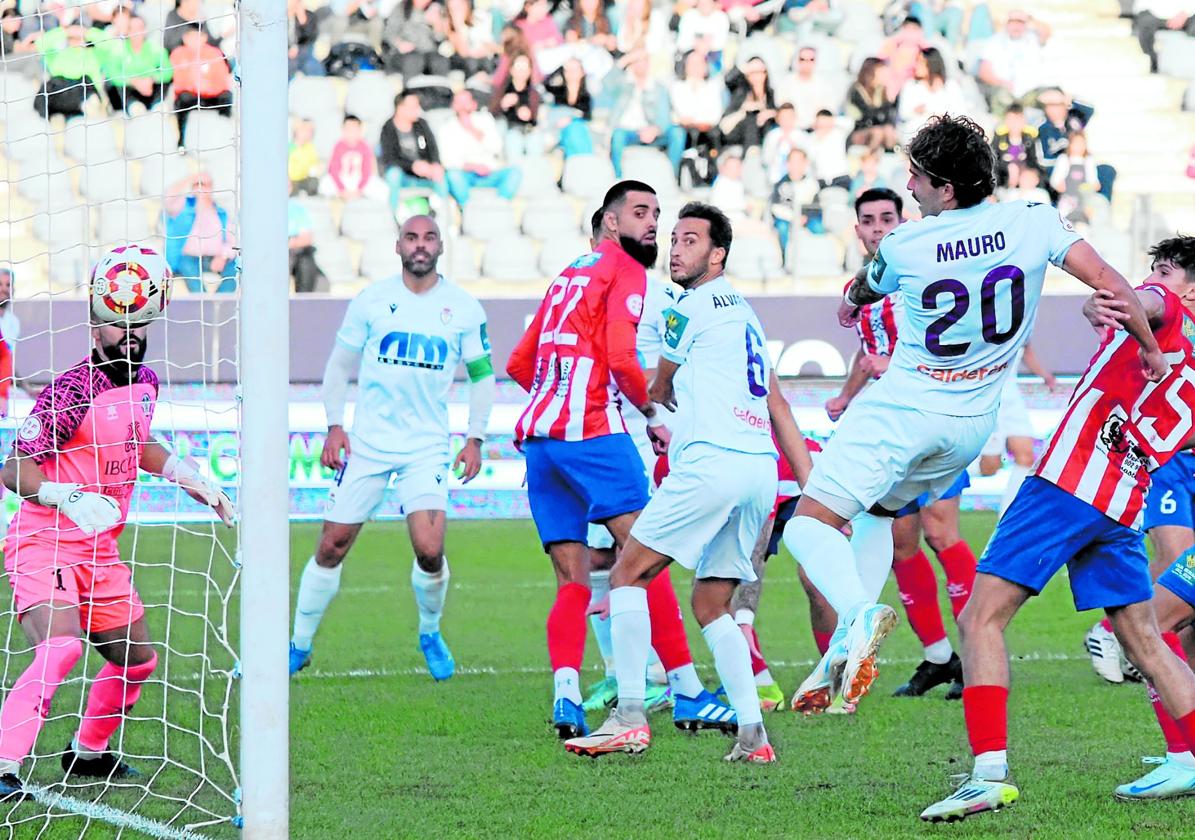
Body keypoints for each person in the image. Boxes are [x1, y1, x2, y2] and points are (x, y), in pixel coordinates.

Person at [783, 114, 1165, 718]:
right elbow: (1113, 283)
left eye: (916, 176)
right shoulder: (1033, 219)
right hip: (967, 427)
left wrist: (849, 300)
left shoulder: (907, 243)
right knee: (881, 515)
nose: (909, 186)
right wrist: (1149, 347)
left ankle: (855, 616)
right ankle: (842, 650)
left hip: (904, 407)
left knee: (807, 526)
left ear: (946, 188)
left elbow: (865, 287)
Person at [919, 236, 1195, 821]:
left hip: (1069, 483)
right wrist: (1110, 307)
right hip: (1125, 496)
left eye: (1165, 271)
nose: (1151, 277)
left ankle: (987, 774)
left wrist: (1123, 297)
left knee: (980, 617)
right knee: (1142, 636)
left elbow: (1145, 300)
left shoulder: (1169, 310)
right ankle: (1191, 757)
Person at [562, 202, 810, 763]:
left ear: (717, 253)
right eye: (674, 239)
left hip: (714, 462)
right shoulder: (745, 311)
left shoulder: (690, 305)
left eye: (691, 240)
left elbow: (658, 382)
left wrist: (654, 393)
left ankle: (628, 715)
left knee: (627, 572)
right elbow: (771, 400)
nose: (676, 249)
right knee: (710, 600)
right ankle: (753, 736)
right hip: (757, 470)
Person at [506, 182, 736, 739]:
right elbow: (619, 357)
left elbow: (519, 361)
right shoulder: (624, 270)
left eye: (657, 213)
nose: (653, 223)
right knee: (645, 555)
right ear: (611, 222)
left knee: (572, 577)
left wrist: (556, 395)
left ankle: (566, 697)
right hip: (592, 431)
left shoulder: (569, 273)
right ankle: (687, 691)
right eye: (641, 213)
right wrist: (654, 408)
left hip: (540, 437)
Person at [0, 287, 233, 800]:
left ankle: (88, 752)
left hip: (101, 550)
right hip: (47, 539)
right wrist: (66, 495)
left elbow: (139, 442)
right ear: (94, 329)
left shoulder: (146, 382)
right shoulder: (71, 390)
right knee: (61, 647)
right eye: (116, 325)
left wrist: (190, 476)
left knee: (138, 659)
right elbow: (14, 467)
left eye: (138, 325)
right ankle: (4, 763)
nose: (129, 335)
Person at [288, 215, 495, 680]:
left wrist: (475, 437)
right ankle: (298, 644)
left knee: (429, 549)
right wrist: (334, 425)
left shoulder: (463, 308)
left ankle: (429, 631)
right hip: (369, 444)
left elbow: (482, 376)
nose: (420, 245)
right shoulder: (373, 301)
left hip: (425, 447)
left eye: (429, 238)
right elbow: (339, 367)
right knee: (331, 545)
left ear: (441, 246)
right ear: (398, 246)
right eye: (411, 237)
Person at [824, 188, 978, 702]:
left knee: (941, 531)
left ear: (903, 220)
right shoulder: (869, 289)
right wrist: (846, 396)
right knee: (901, 543)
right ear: (858, 229)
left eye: (886, 218)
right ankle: (939, 658)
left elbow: (954, 341)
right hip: (892, 430)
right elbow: (869, 355)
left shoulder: (920, 274)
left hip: (937, 414)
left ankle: (979, 646)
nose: (877, 228)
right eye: (867, 221)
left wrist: (895, 368)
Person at [579, 208, 695, 718]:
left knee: (638, 551)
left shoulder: (658, 295)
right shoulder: (591, 287)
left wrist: (650, 404)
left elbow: (669, 363)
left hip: (636, 442)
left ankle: (671, 677)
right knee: (600, 560)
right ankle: (623, 670)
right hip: (598, 437)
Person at [1087, 238, 1195, 687]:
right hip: (1169, 464)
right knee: (1178, 561)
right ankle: (1124, 632)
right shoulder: (1165, 312)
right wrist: (1099, 304)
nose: (1152, 278)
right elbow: (1139, 302)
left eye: (1164, 270)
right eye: (1154, 268)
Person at [976, 344, 1058, 517]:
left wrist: (1045, 376)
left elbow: (1026, 348)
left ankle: (1008, 516)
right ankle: (950, 470)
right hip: (987, 390)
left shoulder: (1025, 317)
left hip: (1010, 391)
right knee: (990, 467)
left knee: (1026, 456)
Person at [608, 51, 685, 180]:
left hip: (653, 131)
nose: (640, 65)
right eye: (636, 61)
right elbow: (607, 82)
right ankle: (618, 178)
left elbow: (664, 114)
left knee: (677, 133)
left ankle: (671, 177)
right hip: (628, 132)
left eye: (643, 61)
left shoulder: (657, 87)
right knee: (617, 135)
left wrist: (656, 129)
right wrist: (624, 60)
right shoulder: (622, 84)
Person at [439, 89, 522, 207]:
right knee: (453, 175)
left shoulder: (485, 120)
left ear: (474, 104)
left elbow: (497, 147)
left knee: (515, 172)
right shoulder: (447, 128)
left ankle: (500, 206)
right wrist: (472, 167)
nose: (462, 105)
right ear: (453, 105)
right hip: (465, 173)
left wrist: (473, 131)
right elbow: (446, 159)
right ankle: (467, 208)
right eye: (459, 102)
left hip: (490, 172)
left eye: (465, 101)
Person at [162, 171, 239, 293]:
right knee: (186, 263)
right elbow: (168, 196)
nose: (201, 188)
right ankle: (203, 302)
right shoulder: (183, 207)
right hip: (190, 259)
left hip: (215, 258)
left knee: (236, 266)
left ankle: (220, 302)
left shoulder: (221, 213)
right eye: (197, 184)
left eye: (205, 184)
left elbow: (233, 242)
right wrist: (191, 177)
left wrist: (223, 256)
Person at [379, 92, 449, 213]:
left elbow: (432, 148)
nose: (418, 110)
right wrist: (413, 166)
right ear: (400, 108)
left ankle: (444, 217)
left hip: (425, 174)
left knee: (440, 175)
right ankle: (392, 214)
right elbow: (390, 158)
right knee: (393, 175)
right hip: (404, 175)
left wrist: (435, 164)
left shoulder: (421, 124)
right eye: (414, 106)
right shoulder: (388, 128)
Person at [976, 8, 1051, 116]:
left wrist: (1030, 18)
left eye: (1020, 22)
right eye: (1013, 22)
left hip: (1032, 91)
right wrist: (1001, 83)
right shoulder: (994, 42)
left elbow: (1047, 31)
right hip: (1005, 92)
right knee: (1002, 98)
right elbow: (984, 72)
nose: (1016, 26)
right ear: (1007, 24)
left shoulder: (1033, 38)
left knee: (1053, 98)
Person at [169, 27, 234, 146]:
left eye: (197, 36)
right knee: (182, 99)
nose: (194, 40)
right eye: (191, 36)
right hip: (191, 96)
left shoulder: (214, 52)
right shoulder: (178, 53)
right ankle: (181, 141)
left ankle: (226, 138)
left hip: (211, 96)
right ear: (185, 38)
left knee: (227, 97)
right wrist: (198, 87)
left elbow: (221, 80)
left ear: (204, 37)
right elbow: (180, 82)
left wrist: (206, 88)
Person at [96, 14, 172, 113]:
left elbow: (168, 71)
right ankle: (134, 107)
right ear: (127, 31)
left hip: (150, 89)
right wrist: (133, 81)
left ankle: (158, 106)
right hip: (129, 91)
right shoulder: (118, 50)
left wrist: (151, 79)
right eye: (132, 28)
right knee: (116, 85)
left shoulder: (156, 49)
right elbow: (112, 74)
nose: (137, 32)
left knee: (163, 83)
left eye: (140, 28)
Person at [34, 22, 105, 119]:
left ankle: (88, 107)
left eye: (79, 37)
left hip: (84, 94)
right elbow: (39, 44)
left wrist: (87, 32)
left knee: (85, 81)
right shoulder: (57, 55)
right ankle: (54, 119)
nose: (76, 40)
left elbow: (110, 44)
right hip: (62, 96)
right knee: (52, 84)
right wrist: (66, 31)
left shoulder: (94, 54)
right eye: (72, 37)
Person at [322, 115, 387, 202]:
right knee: (324, 184)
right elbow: (333, 170)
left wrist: (359, 189)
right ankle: (341, 196)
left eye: (354, 129)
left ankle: (360, 196)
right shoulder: (338, 146)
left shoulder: (365, 147)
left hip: (359, 179)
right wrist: (341, 189)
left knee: (383, 189)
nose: (351, 133)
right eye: (348, 129)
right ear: (343, 130)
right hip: (343, 178)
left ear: (360, 131)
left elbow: (367, 171)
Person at [720, 56, 777, 150]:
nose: (756, 77)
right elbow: (728, 80)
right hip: (740, 139)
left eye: (760, 72)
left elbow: (784, 113)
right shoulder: (740, 93)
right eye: (752, 73)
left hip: (766, 141)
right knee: (751, 120)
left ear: (766, 73)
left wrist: (770, 114)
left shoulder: (772, 95)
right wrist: (744, 111)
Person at [775, 46, 838, 131]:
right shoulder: (786, 83)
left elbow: (829, 110)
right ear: (797, 61)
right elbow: (782, 109)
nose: (806, 63)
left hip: (818, 131)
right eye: (802, 59)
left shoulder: (825, 85)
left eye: (811, 59)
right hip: (791, 130)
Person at [847, 57, 898, 151]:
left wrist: (891, 101)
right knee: (877, 132)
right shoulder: (857, 90)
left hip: (879, 130)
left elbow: (888, 119)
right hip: (858, 131)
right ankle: (868, 160)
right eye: (881, 72)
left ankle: (890, 160)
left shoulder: (881, 90)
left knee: (889, 131)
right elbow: (868, 115)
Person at [288, 198, 327, 293]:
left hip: (295, 252)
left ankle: (303, 300)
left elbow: (306, 239)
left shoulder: (296, 208)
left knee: (306, 260)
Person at [289, 119, 321, 196]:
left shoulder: (310, 147)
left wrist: (317, 168)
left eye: (310, 131)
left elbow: (315, 163)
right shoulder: (290, 147)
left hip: (305, 179)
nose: (307, 134)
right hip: (291, 180)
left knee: (314, 182)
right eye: (303, 130)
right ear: (296, 131)